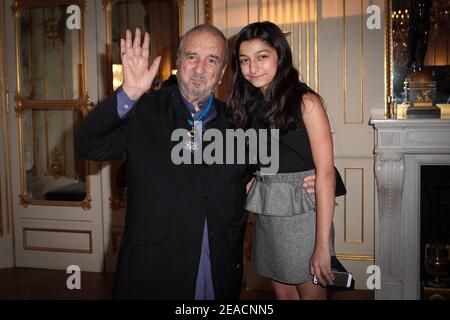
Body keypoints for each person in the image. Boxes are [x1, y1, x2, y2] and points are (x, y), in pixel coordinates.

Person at [75, 24, 316, 299]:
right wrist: (129, 92)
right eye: (192, 57)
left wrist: (314, 176)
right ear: (178, 62)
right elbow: (89, 145)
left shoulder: (239, 123)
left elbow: (273, 164)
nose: (200, 67)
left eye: (211, 60)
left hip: (218, 270)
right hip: (153, 272)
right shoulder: (144, 111)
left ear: (223, 71)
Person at [227, 21, 336, 300]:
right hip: (268, 211)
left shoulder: (306, 102)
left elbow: (325, 172)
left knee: (311, 296)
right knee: (284, 295)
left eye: (262, 57)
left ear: (280, 55)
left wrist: (322, 245)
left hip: (301, 212)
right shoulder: (248, 105)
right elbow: (251, 160)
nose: (253, 68)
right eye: (244, 60)